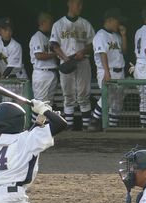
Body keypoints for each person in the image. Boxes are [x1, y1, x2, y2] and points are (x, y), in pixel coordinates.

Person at [50, 0, 95, 130]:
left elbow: (92, 43)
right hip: (66, 61)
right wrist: (65, 58)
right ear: (69, 4)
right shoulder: (59, 24)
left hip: (82, 62)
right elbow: (54, 44)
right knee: (68, 95)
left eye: (81, 4)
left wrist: (83, 51)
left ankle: (86, 127)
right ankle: (69, 129)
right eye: (78, 4)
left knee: (84, 95)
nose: (80, 7)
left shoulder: (85, 23)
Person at [91, 8, 127, 131]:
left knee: (117, 102)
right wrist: (107, 72)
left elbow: (124, 50)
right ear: (110, 20)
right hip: (107, 70)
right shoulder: (100, 35)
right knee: (108, 96)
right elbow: (102, 54)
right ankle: (94, 120)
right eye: (117, 21)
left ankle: (112, 127)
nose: (119, 24)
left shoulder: (116, 36)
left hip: (119, 70)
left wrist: (123, 35)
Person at [29, 12, 58, 124]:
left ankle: (41, 126)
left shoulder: (48, 37)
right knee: (39, 104)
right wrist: (56, 54)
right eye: (49, 23)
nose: (51, 25)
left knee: (47, 104)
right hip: (41, 73)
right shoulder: (37, 37)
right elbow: (39, 55)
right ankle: (33, 127)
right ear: (42, 22)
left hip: (51, 72)